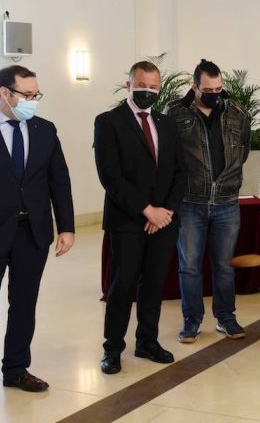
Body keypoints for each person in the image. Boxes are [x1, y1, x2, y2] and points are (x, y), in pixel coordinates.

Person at [0, 65, 75, 413]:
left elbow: (58, 181)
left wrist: (66, 226)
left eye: (37, 94)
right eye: (28, 95)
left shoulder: (45, 130)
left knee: (24, 304)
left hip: (32, 234)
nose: (34, 101)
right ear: (5, 94)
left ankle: (16, 369)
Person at [94, 61, 187, 375]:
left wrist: (166, 212)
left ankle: (147, 341)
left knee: (154, 283)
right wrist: (147, 210)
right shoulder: (108, 122)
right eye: (142, 86)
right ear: (128, 85)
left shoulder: (167, 122)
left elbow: (180, 171)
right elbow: (111, 176)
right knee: (124, 284)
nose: (148, 92)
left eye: (153, 87)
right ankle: (112, 349)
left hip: (164, 220)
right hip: (128, 220)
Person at [166, 59, 251, 343]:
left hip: (226, 200)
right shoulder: (176, 114)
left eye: (219, 87)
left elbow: (244, 150)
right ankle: (192, 320)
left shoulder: (237, 113)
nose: (215, 93)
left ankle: (226, 317)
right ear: (195, 87)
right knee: (189, 265)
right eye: (208, 89)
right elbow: (168, 158)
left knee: (225, 265)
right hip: (191, 201)